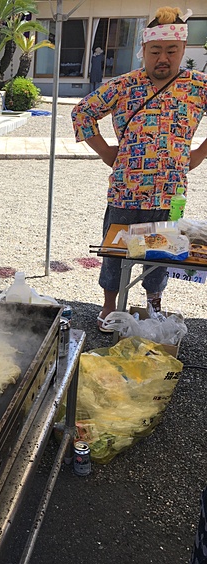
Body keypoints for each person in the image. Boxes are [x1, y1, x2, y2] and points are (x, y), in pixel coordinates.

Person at [71, 6, 207, 332]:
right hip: (125, 190)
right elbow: (82, 113)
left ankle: (153, 305)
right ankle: (108, 307)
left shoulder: (197, 87)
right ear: (143, 50)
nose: (163, 58)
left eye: (171, 51)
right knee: (115, 251)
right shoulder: (123, 86)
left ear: (182, 50)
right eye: (156, 50)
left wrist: (201, 152)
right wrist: (104, 151)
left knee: (160, 253)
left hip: (169, 191)